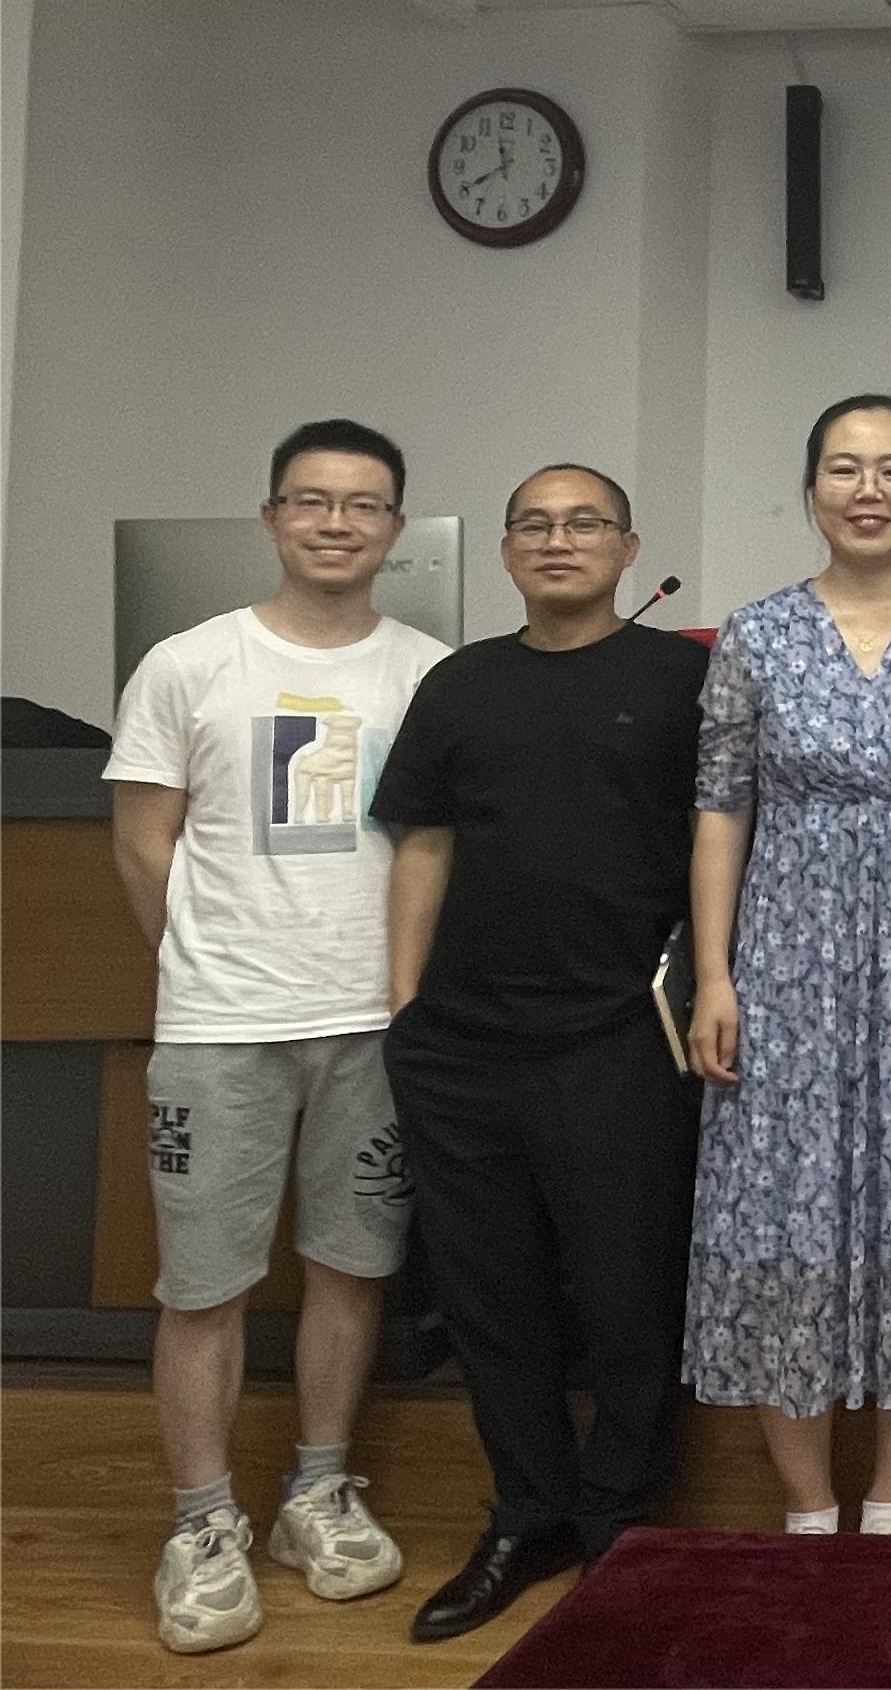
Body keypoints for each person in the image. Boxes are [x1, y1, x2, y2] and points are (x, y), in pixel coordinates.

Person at [105, 419, 447, 1655]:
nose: (336, 522)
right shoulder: (189, 663)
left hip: (374, 1022)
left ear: (395, 529)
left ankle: (318, 1489)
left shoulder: (430, 673)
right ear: (271, 515)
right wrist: (202, 962)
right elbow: (141, 841)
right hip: (221, 1027)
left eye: (363, 504)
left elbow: (439, 844)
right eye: (311, 499)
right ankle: (201, 1523)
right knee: (203, 1285)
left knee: (353, 1267)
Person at [374, 464, 706, 1640]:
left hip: (618, 1039)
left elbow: (725, 844)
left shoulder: (683, 679)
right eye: (535, 524)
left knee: (627, 1294)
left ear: (627, 547)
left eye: (584, 523)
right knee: (489, 1299)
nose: (558, 540)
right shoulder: (458, 683)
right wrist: (405, 1006)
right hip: (460, 1047)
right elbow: (424, 842)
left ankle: (619, 1516)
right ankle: (527, 1511)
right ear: (509, 548)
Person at [684, 395, 891, 1537]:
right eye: (843, 467)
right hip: (785, 961)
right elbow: (720, 809)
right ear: (810, 488)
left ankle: (890, 1502)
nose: (868, 490)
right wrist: (715, 975)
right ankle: (808, 1507)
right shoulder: (757, 634)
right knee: (779, 1215)